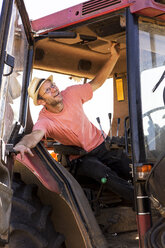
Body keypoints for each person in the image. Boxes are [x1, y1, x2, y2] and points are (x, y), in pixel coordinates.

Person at [14, 43, 134, 204]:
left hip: (102, 145)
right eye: (47, 91)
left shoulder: (71, 93)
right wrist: (23, 144)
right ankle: (142, 203)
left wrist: (114, 57)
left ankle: (152, 194)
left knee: (131, 167)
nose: (54, 90)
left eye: (52, 85)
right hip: (81, 157)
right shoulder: (45, 120)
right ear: (42, 101)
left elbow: (96, 83)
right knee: (103, 174)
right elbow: (35, 135)